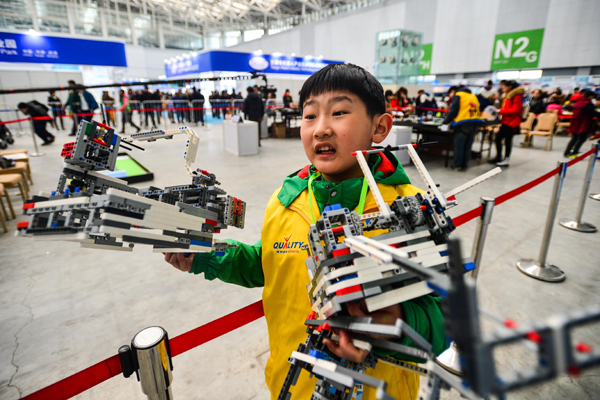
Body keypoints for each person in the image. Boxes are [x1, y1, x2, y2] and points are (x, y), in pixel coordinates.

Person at [163, 63, 447, 400]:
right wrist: (208, 256)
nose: (321, 129)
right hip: (292, 385)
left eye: (339, 112)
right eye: (310, 116)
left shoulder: (410, 209)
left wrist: (393, 323)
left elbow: (447, 318)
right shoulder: (286, 202)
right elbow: (268, 265)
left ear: (380, 125)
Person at [442, 86, 483, 171]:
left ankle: (457, 165)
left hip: (463, 124)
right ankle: (464, 165)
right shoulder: (473, 96)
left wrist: (445, 122)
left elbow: (453, 110)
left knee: (459, 146)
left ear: (453, 91)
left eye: (450, 93)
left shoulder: (459, 95)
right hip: (475, 123)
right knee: (468, 146)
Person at [489, 80, 524, 167]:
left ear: (510, 87)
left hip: (512, 122)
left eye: (504, 86)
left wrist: (501, 111)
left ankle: (506, 159)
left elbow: (516, 109)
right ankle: (498, 156)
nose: (503, 88)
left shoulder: (516, 96)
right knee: (498, 138)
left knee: (508, 141)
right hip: (505, 120)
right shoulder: (508, 95)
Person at [563, 90, 600, 157]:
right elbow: (592, 113)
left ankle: (567, 152)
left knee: (574, 138)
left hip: (575, 123)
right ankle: (574, 153)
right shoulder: (588, 103)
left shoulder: (578, 103)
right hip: (583, 123)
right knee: (582, 139)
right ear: (590, 96)